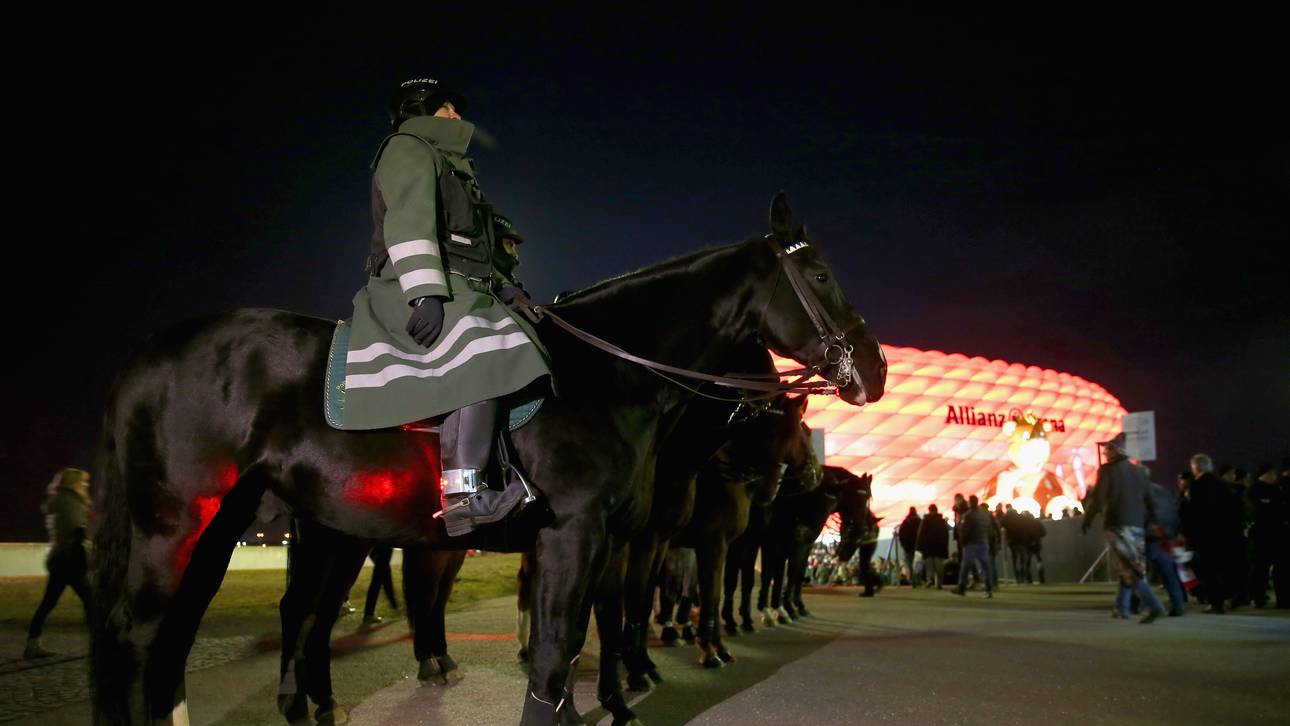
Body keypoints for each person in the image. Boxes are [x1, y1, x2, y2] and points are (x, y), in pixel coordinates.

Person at [344, 77, 551, 537]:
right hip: (412, 285)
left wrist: (508, 289)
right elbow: (409, 223)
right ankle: (463, 497)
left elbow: (475, 247)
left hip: (467, 286)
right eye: (445, 109)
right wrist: (425, 293)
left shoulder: (457, 167)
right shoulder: (408, 147)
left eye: (456, 109)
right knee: (481, 350)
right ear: (418, 111)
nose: (456, 116)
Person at [1082, 434, 1166, 623]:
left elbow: (1098, 498)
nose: (1105, 452)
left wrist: (1087, 518)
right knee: (1128, 563)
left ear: (1117, 450)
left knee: (1128, 566)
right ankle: (1122, 608)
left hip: (1117, 524)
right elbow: (1151, 500)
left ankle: (1154, 605)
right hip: (1137, 525)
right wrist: (1154, 521)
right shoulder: (1140, 472)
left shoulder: (1107, 470)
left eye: (1108, 449)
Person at [24, 468, 92, 659]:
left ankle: (32, 644)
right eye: (82, 482)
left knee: (48, 603)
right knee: (90, 600)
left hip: (59, 558)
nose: (85, 485)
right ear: (73, 483)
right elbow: (79, 530)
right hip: (70, 559)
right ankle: (98, 643)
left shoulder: (57, 501)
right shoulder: (70, 502)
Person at [1182, 454, 1245, 613]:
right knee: (1224, 567)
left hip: (1205, 535)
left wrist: (1188, 532)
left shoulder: (1196, 485)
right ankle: (1232, 595)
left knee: (1208, 570)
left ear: (1195, 467)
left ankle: (1216, 602)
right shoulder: (1223, 484)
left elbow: (1194, 513)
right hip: (1225, 534)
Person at [952, 496, 994, 598]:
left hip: (971, 544)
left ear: (970, 503)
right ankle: (989, 589)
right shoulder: (984, 514)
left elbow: (964, 531)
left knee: (965, 567)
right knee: (986, 567)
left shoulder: (968, 515)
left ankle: (961, 588)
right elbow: (990, 528)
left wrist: (963, 543)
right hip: (983, 543)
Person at [363, 544, 400, 625]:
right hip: (383, 546)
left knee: (383, 574)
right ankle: (369, 614)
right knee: (378, 579)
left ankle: (393, 602)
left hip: (379, 547)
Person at [915, 503, 950, 589]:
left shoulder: (925, 520)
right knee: (939, 566)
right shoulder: (942, 521)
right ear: (936, 510)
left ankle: (929, 579)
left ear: (929, 510)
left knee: (929, 566)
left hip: (928, 546)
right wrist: (945, 546)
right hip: (939, 547)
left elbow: (920, 534)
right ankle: (939, 583)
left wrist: (919, 546)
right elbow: (946, 534)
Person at [897, 506, 921, 587]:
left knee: (909, 563)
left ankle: (913, 579)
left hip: (908, 547)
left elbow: (901, 534)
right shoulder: (920, 521)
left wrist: (903, 544)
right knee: (918, 563)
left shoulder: (906, 522)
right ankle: (918, 579)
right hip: (918, 546)